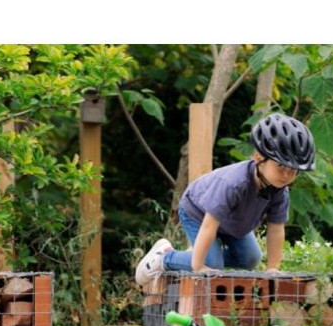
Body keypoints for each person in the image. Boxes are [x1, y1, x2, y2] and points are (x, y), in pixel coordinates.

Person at [135, 113, 316, 284]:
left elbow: (276, 229)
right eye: (280, 167)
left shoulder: (279, 191)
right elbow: (209, 225)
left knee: (250, 259)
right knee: (212, 265)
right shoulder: (234, 183)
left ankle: (201, 253)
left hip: (231, 222)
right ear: (258, 158)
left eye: (293, 170)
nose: (286, 175)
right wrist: (198, 266)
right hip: (199, 213)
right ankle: (164, 257)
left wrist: (273, 268)